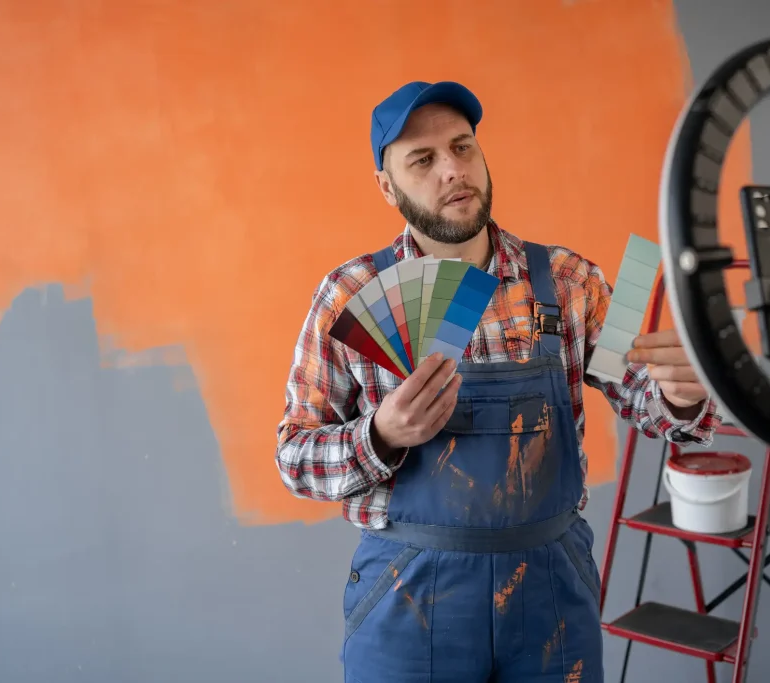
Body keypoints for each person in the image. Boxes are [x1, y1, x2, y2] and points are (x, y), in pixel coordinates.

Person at [276, 80, 722, 683]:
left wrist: (680, 395)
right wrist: (379, 436)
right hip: (409, 592)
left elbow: (647, 401)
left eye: (463, 148)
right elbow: (294, 457)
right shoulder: (348, 294)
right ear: (388, 186)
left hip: (552, 591)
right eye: (423, 160)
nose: (452, 171)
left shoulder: (571, 280)